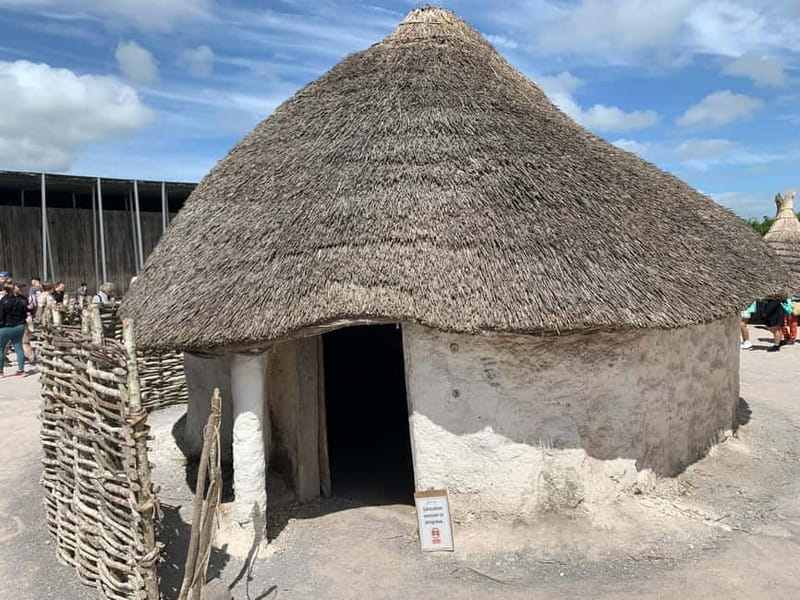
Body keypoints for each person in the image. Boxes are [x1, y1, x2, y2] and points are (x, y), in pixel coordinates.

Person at [0, 282, 29, 376]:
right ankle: (21, 370)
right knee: (19, 348)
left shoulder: (4, 300)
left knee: (1, 349)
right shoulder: (22, 299)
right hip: (19, 326)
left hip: (5, 327)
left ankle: (1, 371)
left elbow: (1, 315)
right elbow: (25, 313)